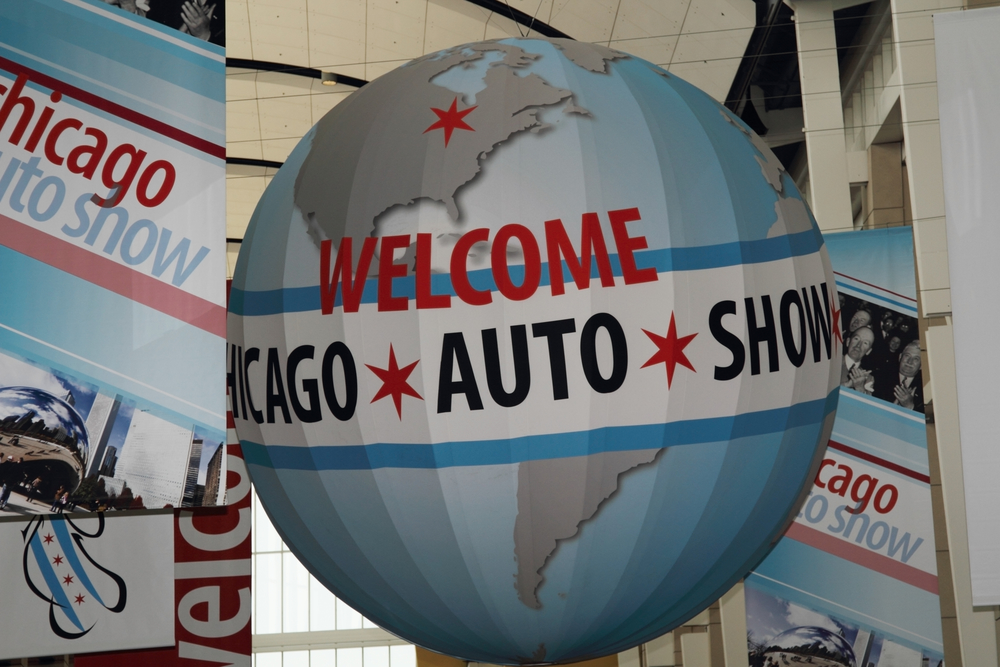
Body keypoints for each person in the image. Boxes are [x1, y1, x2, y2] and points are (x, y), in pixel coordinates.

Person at [873, 340, 924, 412]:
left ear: (921, 365)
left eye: (916, 359)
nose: (909, 361)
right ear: (900, 357)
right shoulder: (880, 377)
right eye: (907, 355)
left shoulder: (925, 388)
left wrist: (910, 407)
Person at [841, 326, 875, 394]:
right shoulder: (831, 361)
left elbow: (864, 404)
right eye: (856, 339)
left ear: (868, 351)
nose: (858, 345)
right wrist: (846, 385)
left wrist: (860, 388)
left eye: (865, 343)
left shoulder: (868, 378)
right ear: (848, 342)